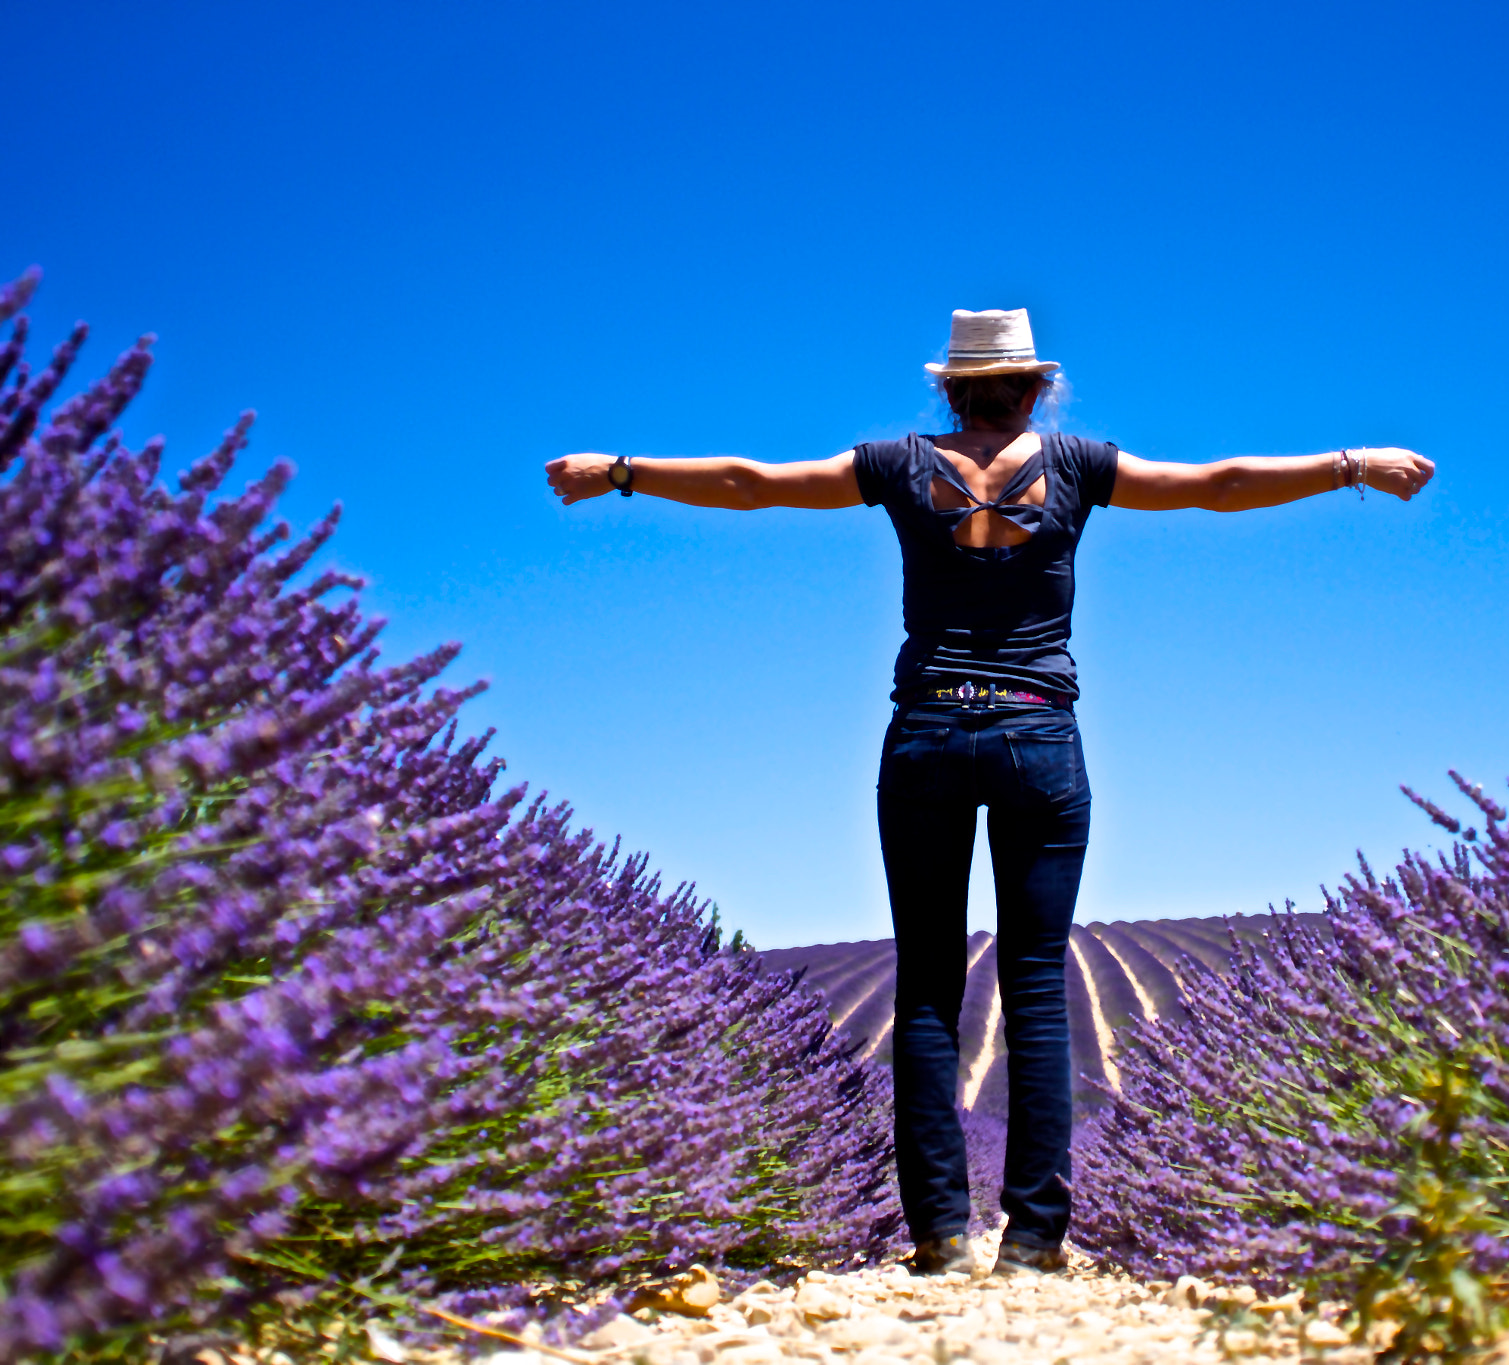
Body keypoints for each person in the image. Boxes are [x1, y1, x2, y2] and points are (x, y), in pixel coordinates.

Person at [544, 308, 1435, 1277]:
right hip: (1036, 735)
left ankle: (935, 1234)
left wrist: (620, 471)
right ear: (1034, 388)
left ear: (950, 388)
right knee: (1037, 985)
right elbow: (1214, 488)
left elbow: (750, 486)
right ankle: (1034, 1242)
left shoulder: (891, 464)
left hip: (925, 730)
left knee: (926, 991)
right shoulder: (1079, 464)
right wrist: (1351, 462)